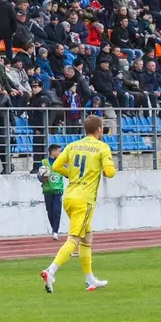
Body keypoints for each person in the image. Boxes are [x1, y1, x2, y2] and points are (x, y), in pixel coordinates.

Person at [39, 115, 114, 294]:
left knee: (87, 239)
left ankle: (90, 279)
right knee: (74, 239)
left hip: (69, 196)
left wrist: (72, 175)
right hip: (84, 199)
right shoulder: (102, 147)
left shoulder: (73, 145)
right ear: (99, 130)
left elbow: (56, 165)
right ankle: (50, 271)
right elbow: (110, 173)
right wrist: (105, 169)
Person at [39, 143, 64, 240]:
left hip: (58, 190)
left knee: (57, 211)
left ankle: (55, 231)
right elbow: (39, 176)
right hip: (47, 191)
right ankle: (54, 228)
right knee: (50, 211)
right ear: (53, 152)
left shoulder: (61, 162)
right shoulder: (44, 162)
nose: (60, 153)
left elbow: (67, 174)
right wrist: (42, 179)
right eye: (59, 151)